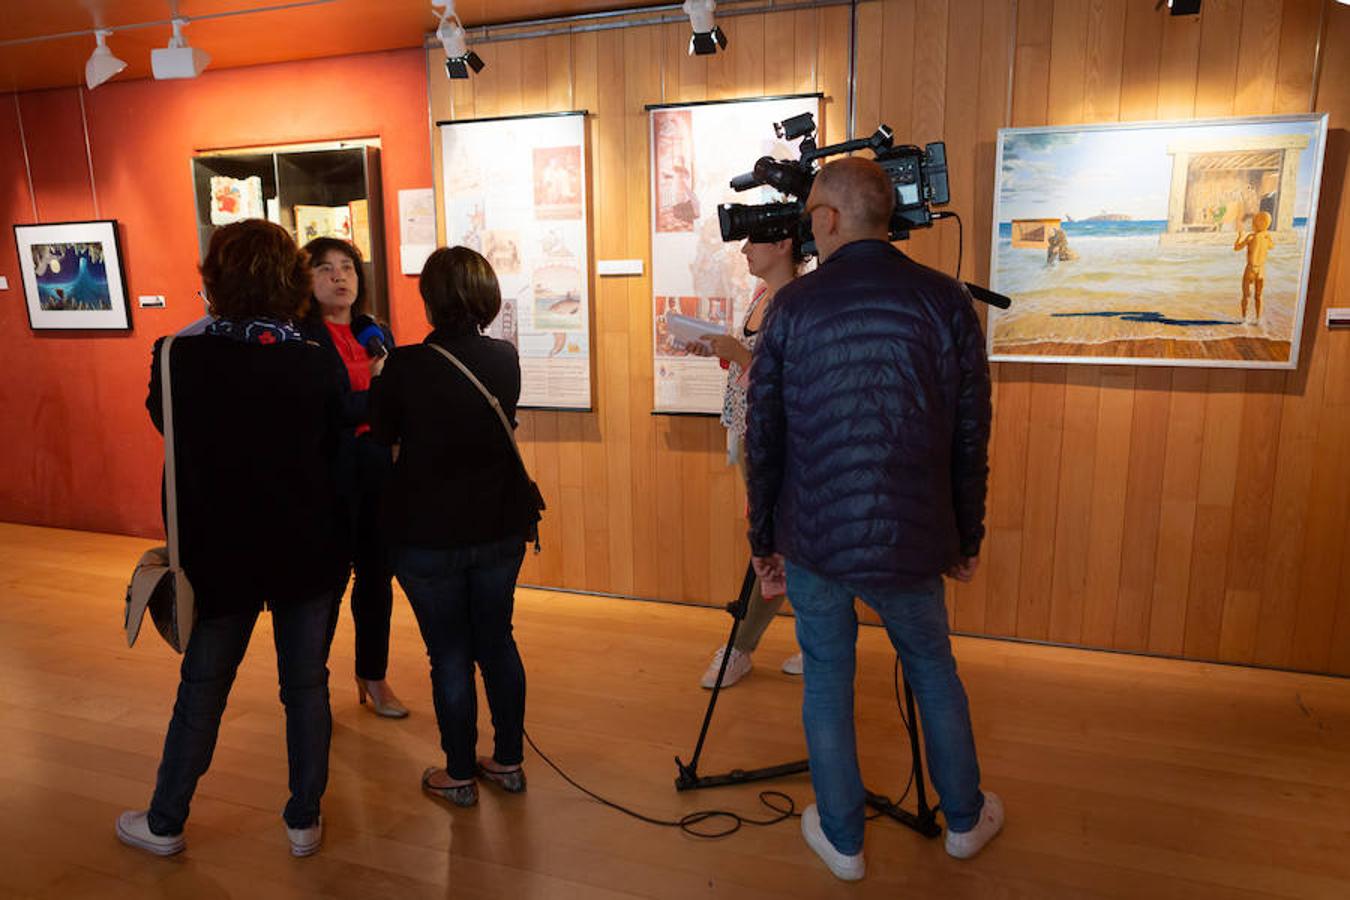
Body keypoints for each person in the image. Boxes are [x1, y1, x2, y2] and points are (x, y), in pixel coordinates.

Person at [745, 158, 1003, 882]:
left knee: (826, 678)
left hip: (817, 535)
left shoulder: (792, 308)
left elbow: (765, 436)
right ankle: (962, 822)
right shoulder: (947, 302)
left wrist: (763, 538)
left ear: (826, 219)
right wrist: (967, 533)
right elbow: (970, 434)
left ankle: (843, 842)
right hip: (915, 536)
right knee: (932, 670)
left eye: (808, 218)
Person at [116, 220, 346, 858]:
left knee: (203, 686)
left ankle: (165, 822)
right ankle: (304, 820)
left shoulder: (176, 356)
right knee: (305, 687)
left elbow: (167, 426)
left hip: (219, 553)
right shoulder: (313, 357)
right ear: (292, 280)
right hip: (307, 546)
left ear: (214, 278)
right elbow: (336, 452)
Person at [369, 246, 539, 808]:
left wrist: (378, 384)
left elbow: (383, 442)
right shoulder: (504, 358)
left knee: (448, 653)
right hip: (499, 525)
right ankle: (509, 762)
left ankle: (460, 772)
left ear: (431, 300)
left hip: (427, 531)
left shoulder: (404, 366)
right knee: (497, 642)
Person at [299, 237, 408, 719]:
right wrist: (379, 396)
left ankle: (373, 674)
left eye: (347, 267)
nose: (339, 277)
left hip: (379, 469)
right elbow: (330, 410)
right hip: (330, 478)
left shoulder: (373, 331)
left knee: (377, 580)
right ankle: (311, 683)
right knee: (325, 584)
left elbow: (399, 396)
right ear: (305, 280)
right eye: (324, 269)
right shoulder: (301, 338)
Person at [693, 235, 805, 688]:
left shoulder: (798, 302)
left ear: (783, 244)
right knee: (774, 542)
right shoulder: (762, 296)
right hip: (751, 431)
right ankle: (818, 640)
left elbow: (798, 381)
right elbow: (750, 364)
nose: (744, 250)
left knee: (773, 543)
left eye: (753, 240)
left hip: (780, 441)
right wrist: (722, 352)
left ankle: (743, 645)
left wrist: (739, 355)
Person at [1234, 210, 1275, 325]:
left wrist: (1240, 237)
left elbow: (1237, 248)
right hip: (1261, 270)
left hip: (1251, 269)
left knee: (1246, 296)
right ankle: (1258, 319)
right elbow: (1272, 247)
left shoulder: (1251, 237)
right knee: (1258, 296)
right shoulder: (1267, 237)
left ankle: (1244, 319)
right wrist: (1267, 235)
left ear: (1255, 224)